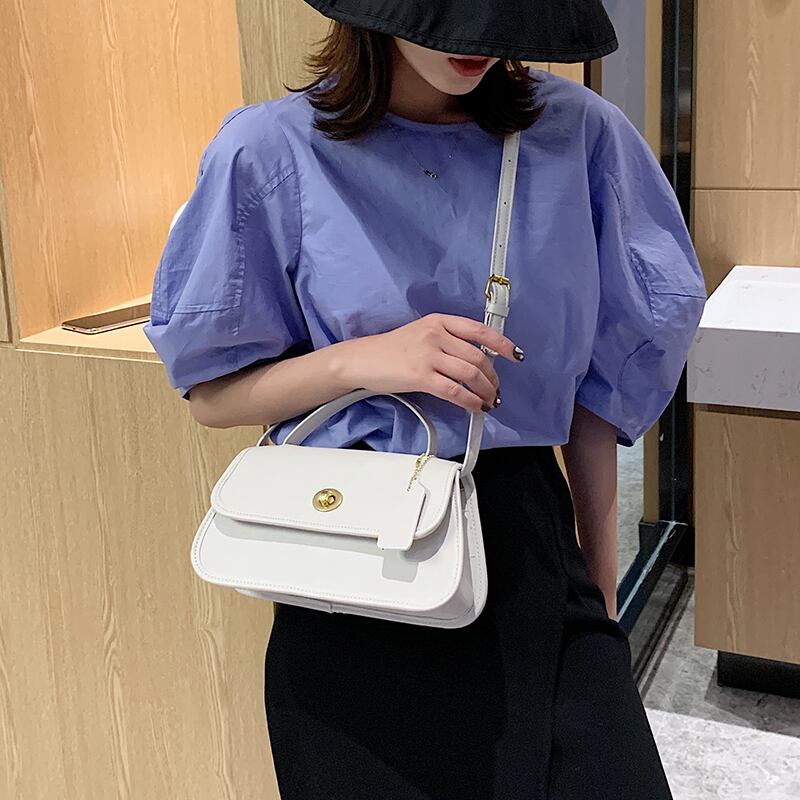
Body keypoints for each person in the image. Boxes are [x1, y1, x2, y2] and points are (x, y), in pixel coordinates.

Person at [143, 2, 707, 797]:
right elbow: (210, 393)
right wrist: (362, 362)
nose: (477, 38)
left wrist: (600, 584)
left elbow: (598, 395)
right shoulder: (269, 151)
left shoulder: (578, 134)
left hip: (525, 535)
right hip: (350, 562)